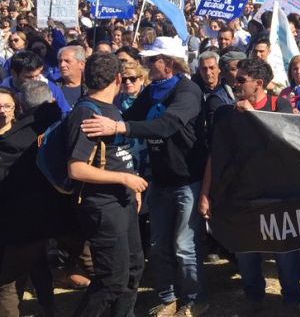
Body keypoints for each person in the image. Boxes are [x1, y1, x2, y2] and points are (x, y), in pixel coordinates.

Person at [80, 36, 208, 316]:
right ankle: (168, 298)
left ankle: (194, 299)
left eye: (152, 59)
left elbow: (167, 125)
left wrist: (118, 128)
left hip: (187, 180)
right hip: (159, 180)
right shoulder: (152, 91)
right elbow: (129, 115)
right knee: (158, 245)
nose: (146, 64)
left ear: (169, 63)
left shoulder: (188, 91)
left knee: (184, 246)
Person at [209, 57, 300, 313]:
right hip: (243, 193)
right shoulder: (228, 113)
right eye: (234, 79)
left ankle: (291, 300)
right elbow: (217, 155)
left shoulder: (278, 104)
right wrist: (207, 193)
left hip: (278, 194)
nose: (235, 84)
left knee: (285, 251)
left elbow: (285, 144)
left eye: (241, 80)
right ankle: (253, 297)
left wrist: (254, 115)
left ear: (258, 84)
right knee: (246, 250)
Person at [66, 52, 147, 317]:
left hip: (123, 199)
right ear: (118, 79)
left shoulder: (111, 108)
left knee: (134, 268)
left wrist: (129, 182)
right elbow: (76, 168)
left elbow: (114, 155)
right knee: (112, 280)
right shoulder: (87, 113)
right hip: (103, 205)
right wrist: (124, 178)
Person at [0, 83, 64, 317]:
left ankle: (46, 306)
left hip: (22, 217)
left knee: (7, 278)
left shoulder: (21, 138)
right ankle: (48, 306)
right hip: (30, 216)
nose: (2, 111)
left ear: (18, 107)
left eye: (7, 106)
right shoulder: (48, 128)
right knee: (36, 262)